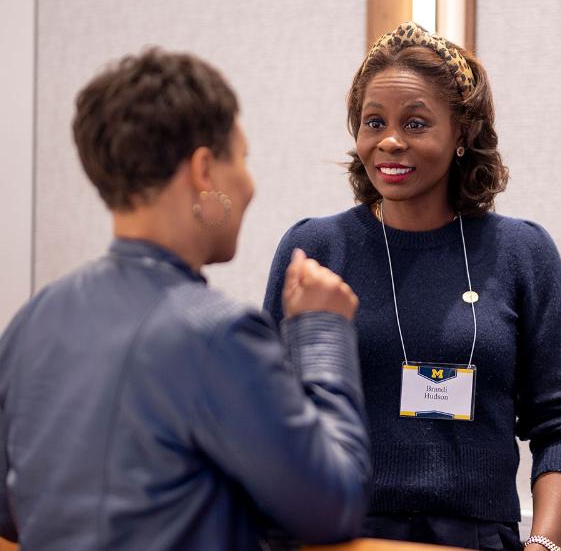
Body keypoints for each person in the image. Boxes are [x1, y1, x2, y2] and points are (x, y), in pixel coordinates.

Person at [0, 49, 370, 550]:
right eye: (241, 158)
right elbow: (333, 505)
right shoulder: (216, 332)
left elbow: (12, 510)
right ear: (203, 170)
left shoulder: (34, 319)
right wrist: (323, 331)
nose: (249, 185)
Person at [264, 22, 561, 551]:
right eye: (374, 122)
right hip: (341, 536)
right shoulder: (316, 249)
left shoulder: (522, 253)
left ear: (462, 134)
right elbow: (274, 414)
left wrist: (546, 545)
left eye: (415, 123)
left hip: (477, 537)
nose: (390, 141)